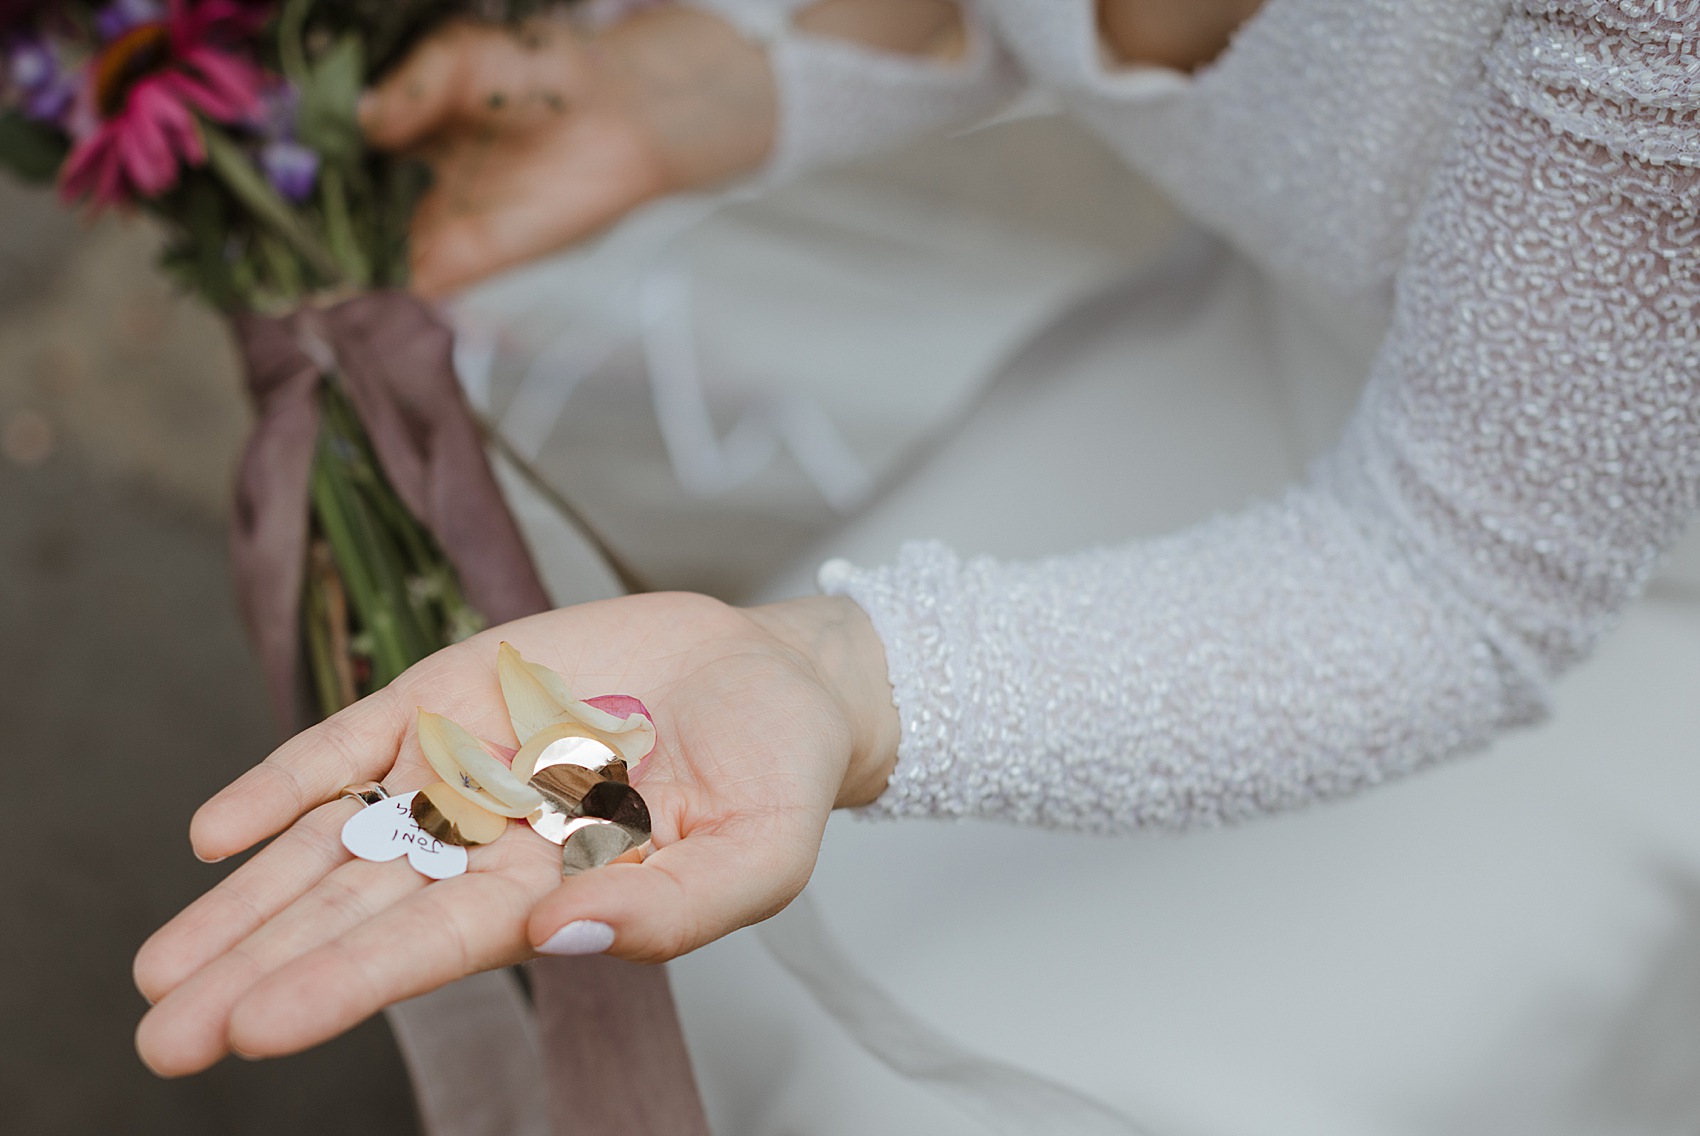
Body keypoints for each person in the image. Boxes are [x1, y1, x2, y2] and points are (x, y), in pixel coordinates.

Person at [133, 0, 1699, 1127]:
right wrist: (680, 92)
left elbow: (1454, 582)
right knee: (728, 959)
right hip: (1272, 362)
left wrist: (836, 675)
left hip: (1578, 611)